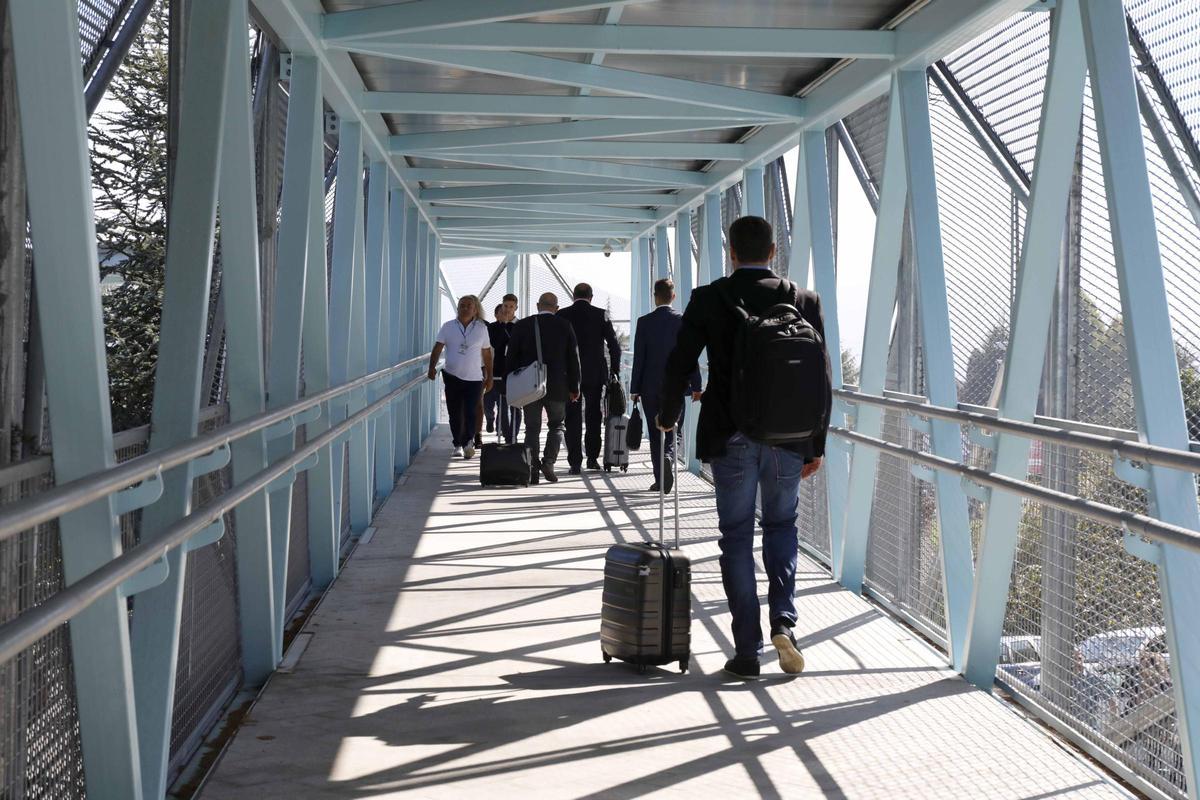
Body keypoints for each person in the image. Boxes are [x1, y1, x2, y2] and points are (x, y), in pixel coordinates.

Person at [657, 216, 829, 680]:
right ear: (773, 251)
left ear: (730, 251)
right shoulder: (803, 299)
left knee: (735, 537)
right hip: (789, 439)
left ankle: (747, 650)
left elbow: (679, 363)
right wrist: (816, 443)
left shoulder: (709, 298)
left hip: (730, 434)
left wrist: (668, 414)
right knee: (781, 526)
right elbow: (822, 377)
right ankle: (785, 625)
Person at [630, 278, 701, 494]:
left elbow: (639, 359)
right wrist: (697, 385)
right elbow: (690, 357)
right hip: (677, 386)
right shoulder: (684, 321)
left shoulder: (644, 322)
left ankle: (659, 479)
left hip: (650, 386)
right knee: (673, 428)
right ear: (673, 296)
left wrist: (635, 389)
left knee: (654, 432)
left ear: (655, 296)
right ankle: (669, 456)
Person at [506, 292, 580, 484]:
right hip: (557, 386)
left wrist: (511, 383)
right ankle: (549, 462)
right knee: (557, 425)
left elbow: (511, 357)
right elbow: (573, 359)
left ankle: (532, 469)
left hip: (530, 386)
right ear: (556, 308)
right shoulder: (565, 325)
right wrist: (575, 386)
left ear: (538, 305)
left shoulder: (523, 325)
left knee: (532, 428)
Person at [557, 282, 621, 475]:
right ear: (591, 297)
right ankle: (592, 458)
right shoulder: (601, 314)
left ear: (573, 296)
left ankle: (575, 462)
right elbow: (614, 346)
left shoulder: (562, 315)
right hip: (595, 373)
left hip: (570, 375)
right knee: (594, 415)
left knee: (572, 417)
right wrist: (614, 371)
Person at [428, 295, 492, 459]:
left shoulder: (481, 328)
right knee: (455, 412)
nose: (465, 308)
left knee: (471, 411)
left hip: (475, 379)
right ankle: (457, 443)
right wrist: (432, 368)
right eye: (462, 305)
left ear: (475, 309)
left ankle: (468, 442)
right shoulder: (448, 327)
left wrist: (489, 376)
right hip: (452, 377)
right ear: (457, 309)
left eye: (468, 305)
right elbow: (437, 347)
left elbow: (486, 353)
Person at [483, 302, 522, 443]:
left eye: (509, 310)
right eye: (502, 312)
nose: (506, 313)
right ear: (496, 315)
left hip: (511, 374)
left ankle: (510, 436)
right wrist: (503, 325)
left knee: (508, 406)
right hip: (493, 373)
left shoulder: (518, 327)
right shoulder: (491, 328)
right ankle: (490, 419)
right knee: (488, 404)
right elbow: (495, 345)